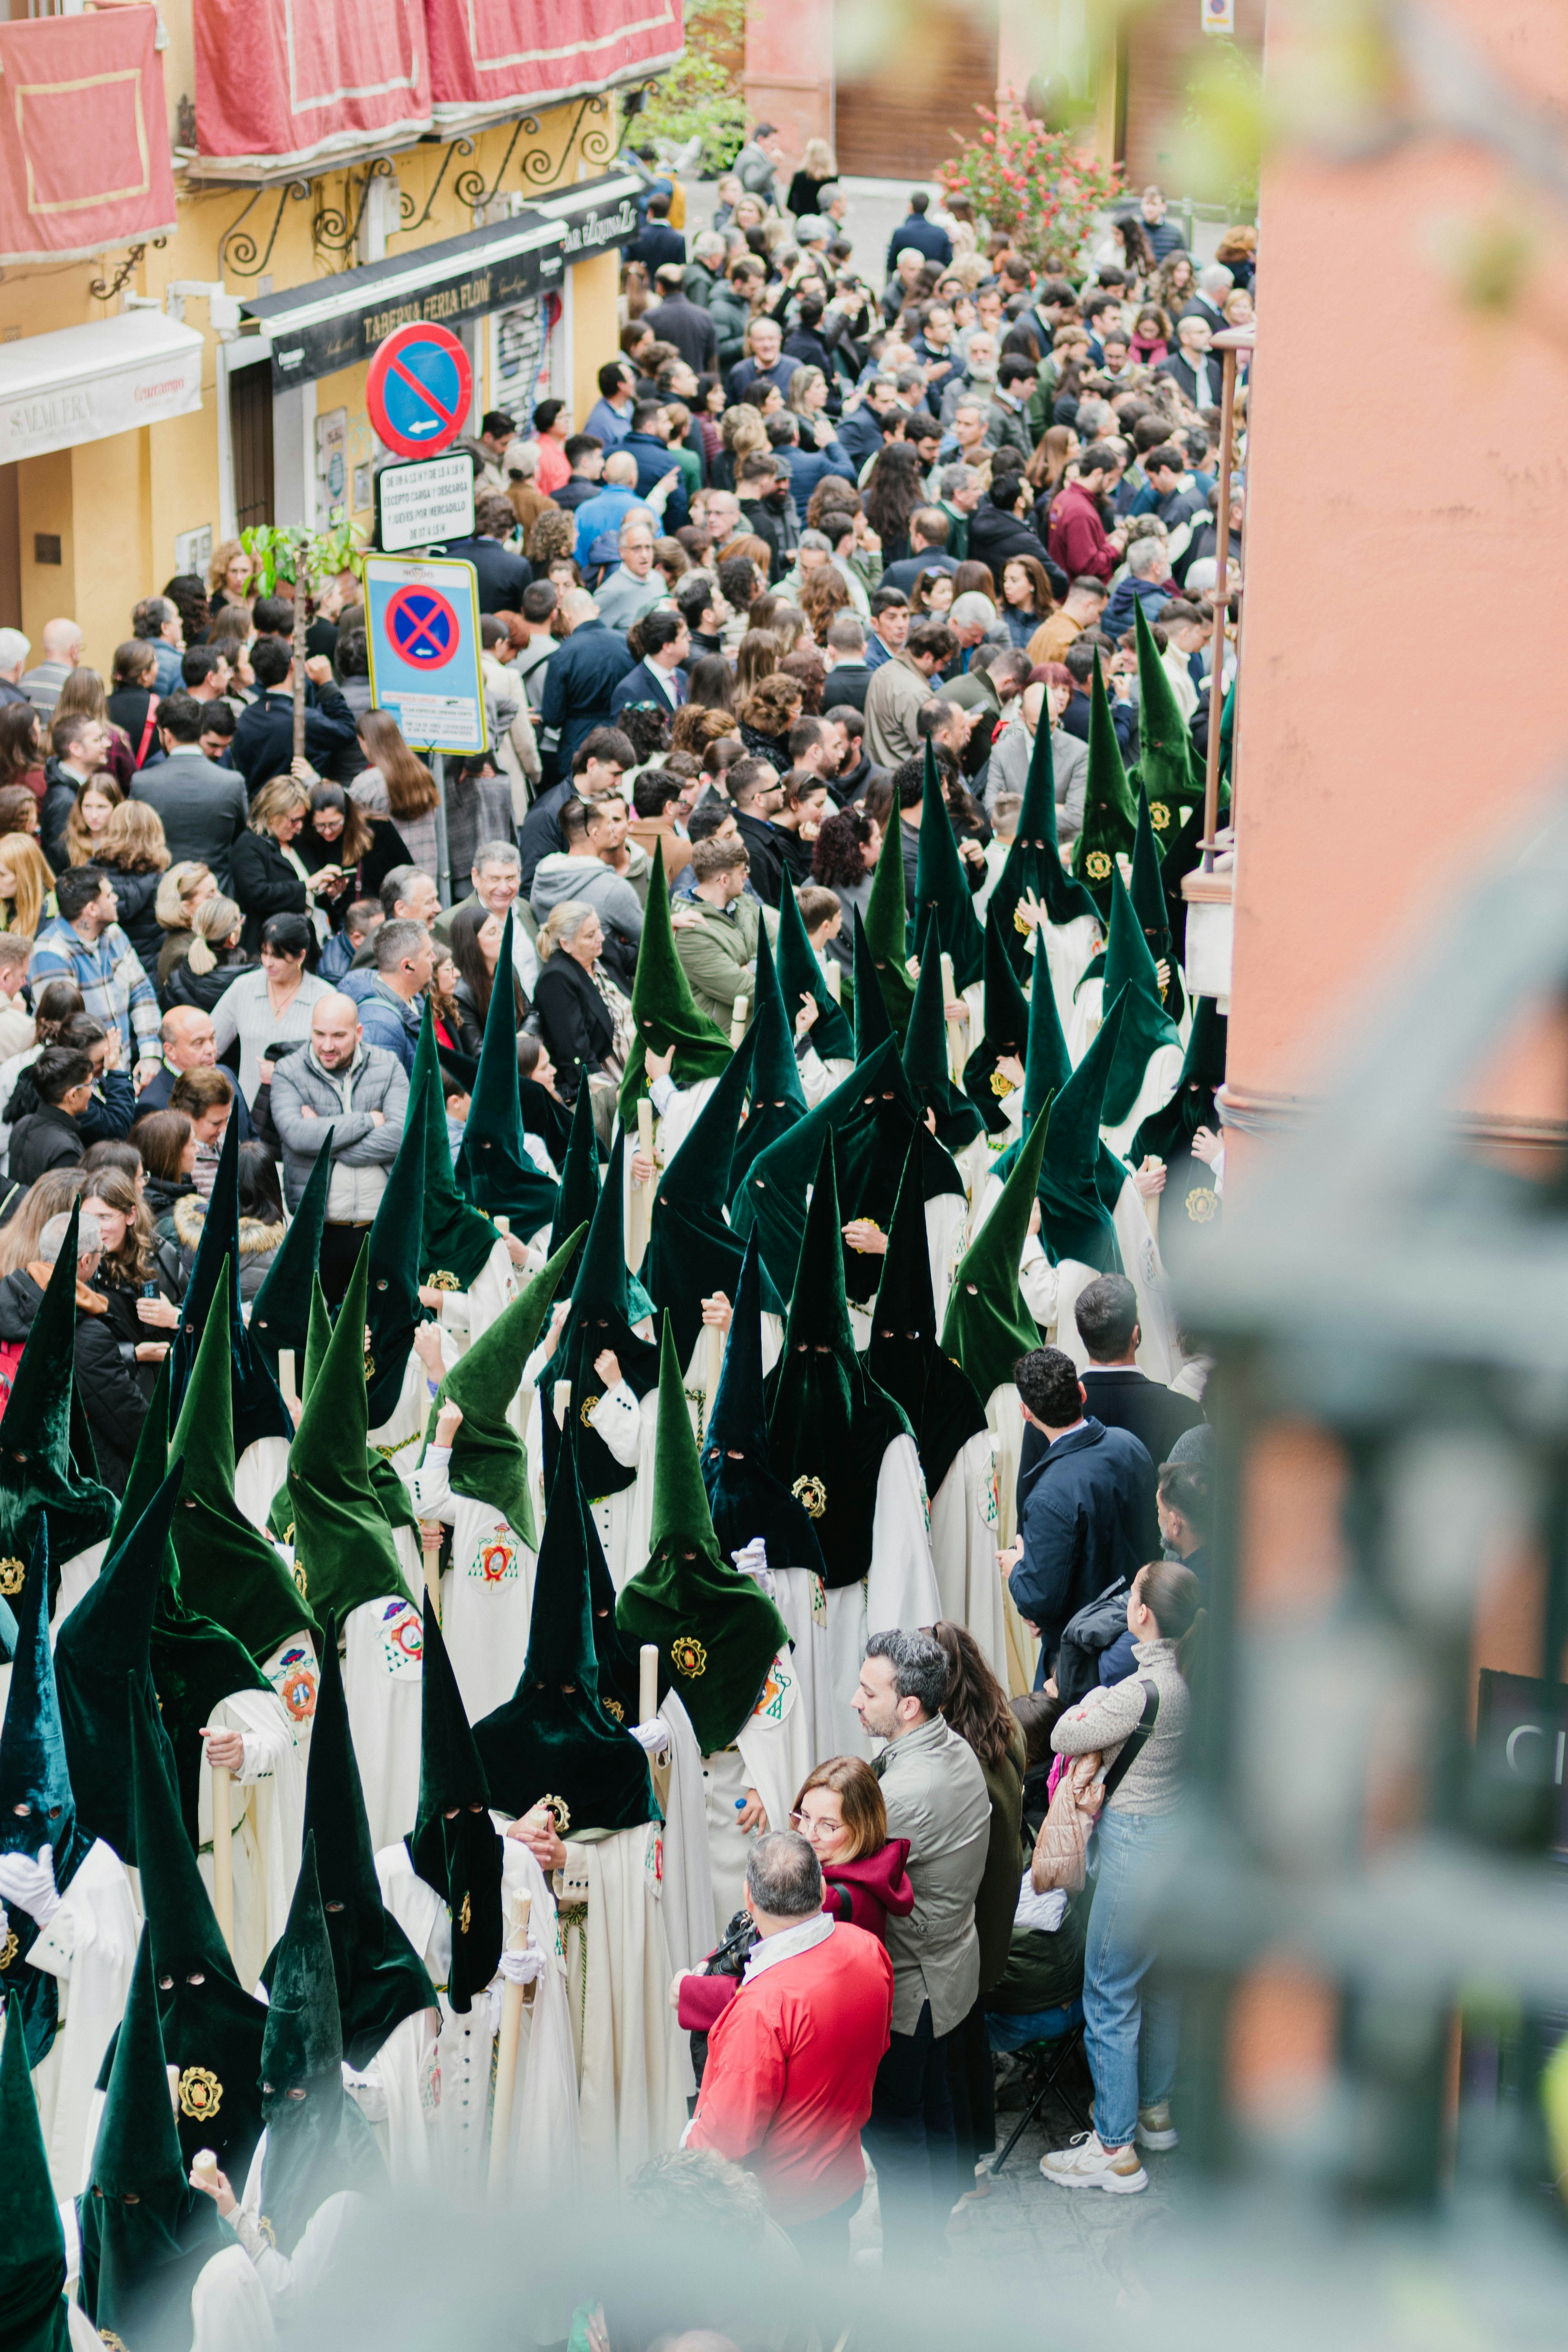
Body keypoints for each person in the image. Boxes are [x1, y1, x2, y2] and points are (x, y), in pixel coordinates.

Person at [1039, 1559, 1202, 2196]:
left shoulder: (1141, 1692)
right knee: (1157, 1986)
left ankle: (1114, 2149)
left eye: (1132, 1593)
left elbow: (1061, 1735)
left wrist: (1089, 1706)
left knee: (1108, 1993)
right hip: (1171, 1850)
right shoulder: (1187, 1681)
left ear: (1142, 1614)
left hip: (1133, 1848)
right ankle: (1154, 2112)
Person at [681, 1829, 894, 2257]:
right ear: (822, 1888)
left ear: (748, 1897)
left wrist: (687, 2143)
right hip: (842, 2173)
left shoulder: (763, 2008)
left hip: (784, 2206)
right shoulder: (867, 1948)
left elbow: (726, 2139)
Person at [852, 1630, 990, 2267]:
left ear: (908, 1705)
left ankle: (912, 2268)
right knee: (931, 2110)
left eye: (868, 1691)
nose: (856, 1701)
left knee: (894, 2130)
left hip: (915, 1985)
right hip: (950, 1969)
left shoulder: (907, 1793)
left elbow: (844, 1865)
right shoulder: (950, 1745)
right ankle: (930, 2246)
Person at [1003, 1346, 1157, 1686]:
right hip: (1144, 1628)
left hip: (1083, 1657)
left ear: (1026, 1412)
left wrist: (1017, 1570)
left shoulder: (1047, 1498)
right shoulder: (1129, 1445)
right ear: (1082, 1393)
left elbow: (1041, 1602)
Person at [268, 991, 409, 1303]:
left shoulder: (387, 1065)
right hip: (321, 1229)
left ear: (359, 1033)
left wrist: (324, 1137)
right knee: (320, 1322)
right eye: (319, 1034)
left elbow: (400, 1135)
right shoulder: (289, 1071)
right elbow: (297, 1135)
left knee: (383, 1318)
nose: (327, 1046)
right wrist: (368, 1121)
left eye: (338, 1036)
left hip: (382, 1225)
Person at [0, 1206, 149, 1487]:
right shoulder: (85, 1334)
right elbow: (130, 1422)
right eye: (101, 1252)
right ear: (85, 1262)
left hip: (15, 1472)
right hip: (75, 1478)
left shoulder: (10, 1300)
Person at [30, 863, 160, 1080]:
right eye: (109, 895)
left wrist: (150, 1055)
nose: (116, 899)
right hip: (85, 1081)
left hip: (122, 1072)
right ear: (92, 909)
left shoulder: (114, 935)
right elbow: (61, 1033)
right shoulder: (51, 953)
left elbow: (142, 993)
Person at [208, 911, 332, 1102]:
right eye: (264, 953)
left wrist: (285, 1074)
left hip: (303, 1111)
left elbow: (336, 1065)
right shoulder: (244, 988)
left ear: (301, 956)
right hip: (249, 1110)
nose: (267, 963)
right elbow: (211, 1045)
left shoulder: (325, 997)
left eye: (277, 956)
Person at [133, 691, 250, 890]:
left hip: (163, 892)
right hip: (215, 893)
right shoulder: (233, 783)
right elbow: (241, 836)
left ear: (166, 735)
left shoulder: (142, 783)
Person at [539, 588, 639, 773]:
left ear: (566, 616)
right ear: (596, 610)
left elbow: (553, 717)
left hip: (579, 744)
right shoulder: (626, 645)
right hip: (622, 738)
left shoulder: (564, 653)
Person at [350, 918, 434, 1073]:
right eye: (429, 954)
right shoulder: (379, 1027)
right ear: (408, 966)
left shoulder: (414, 997)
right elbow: (381, 1084)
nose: (434, 959)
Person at [885, 191, 952, 273]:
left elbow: (891, 266)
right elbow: (948, 264)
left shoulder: (900, 234)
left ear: (910, 206)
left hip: (908, 280)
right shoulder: (941, 233)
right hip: (933, 278)